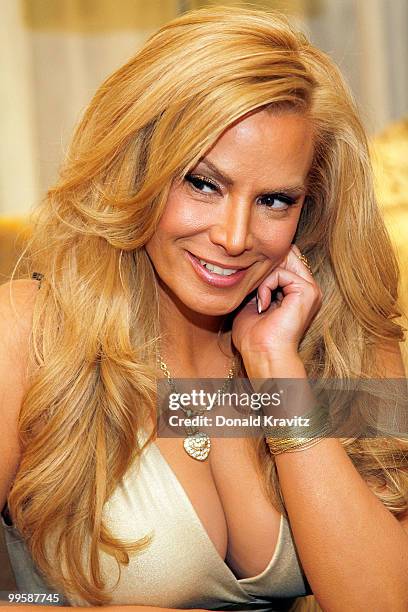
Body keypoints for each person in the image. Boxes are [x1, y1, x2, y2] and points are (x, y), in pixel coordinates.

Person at [0, 6, 407, 612]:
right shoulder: (29, 332)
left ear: (310, 207)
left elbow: (382, 602)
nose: (235, 236)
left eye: (273, 199)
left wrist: (275, 370)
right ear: (138, 167)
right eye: (202, 183)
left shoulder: (347, 339)